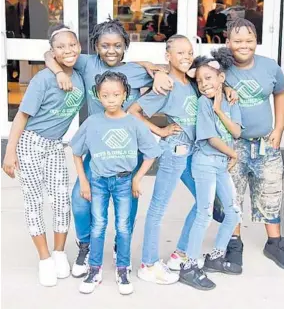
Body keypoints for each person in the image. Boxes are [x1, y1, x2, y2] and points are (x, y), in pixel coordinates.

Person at [44, 17, 173, 277]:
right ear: (95, 46)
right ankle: (86, 244)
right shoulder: (86, 63)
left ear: (125, 45)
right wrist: (58, 72)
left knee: (127, 208)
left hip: (128, 154)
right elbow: (50, 53)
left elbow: (164, 72)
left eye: (117, 45)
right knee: (80, 201)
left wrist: (157, 72)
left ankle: (119, 245)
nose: (110, 51)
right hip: (96, 152)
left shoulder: (136, 71)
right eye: (104, 45)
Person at [2, 24, 85, 287]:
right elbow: (21, 117)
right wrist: (9, 153)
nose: (68, 50)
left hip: (55, 145)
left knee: (61, 199)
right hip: (31, 143)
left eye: (72, 44)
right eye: (60, 47)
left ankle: (59, 253)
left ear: (80, 47)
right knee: (34, 201)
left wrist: (60, 68)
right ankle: (45, 258)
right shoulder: (43, 79)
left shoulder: (81, 73)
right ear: (52, 51)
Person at [70, 71, 161, 295]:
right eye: (105, 95)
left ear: (125, 95)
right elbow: (76, 152)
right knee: (98, 225)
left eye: (116, 94)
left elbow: (151, 153)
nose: (110, 99)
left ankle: (122, 269)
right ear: (98, 96)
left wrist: (137, 178)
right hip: (99, 182)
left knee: (123, 226)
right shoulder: (92, 122)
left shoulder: (133, 123)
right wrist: (83, 180)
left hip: (124, 182)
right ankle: (94, 269)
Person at [218, 18, 284, 272]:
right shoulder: (220, 67)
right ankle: (234, 243)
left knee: (271, 193)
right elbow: (193, 74)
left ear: (256, 41)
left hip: (265, 144)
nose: (244, 45)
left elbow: (281, 93)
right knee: (232, 195)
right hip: (233, 145)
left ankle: (274, 243)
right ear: (227, 41)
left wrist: (280, 127)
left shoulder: (269, 67)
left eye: (249, 40)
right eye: (238, 41)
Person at [128, 34, 197, 284]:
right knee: (158, 208)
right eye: (180, 53)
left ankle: (179, 254)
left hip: (192, 152)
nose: (186, 57)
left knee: (204, 202)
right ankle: (148, 264)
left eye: (189, 52)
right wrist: (159, 130)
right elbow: (133, 111)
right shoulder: (165, 85)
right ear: (168, 56)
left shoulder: (192, 82)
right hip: (174, 151)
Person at [179, 48, 242, 291]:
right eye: (199, 80)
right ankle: (189, 266)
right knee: (204, 214)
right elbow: (210, 138)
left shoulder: (230, 100)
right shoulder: (202, 103)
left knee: (233, 212)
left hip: (220, 164)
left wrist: (219, 110)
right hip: (205, 162)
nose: (204, 84)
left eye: (208, 78)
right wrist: (233, 153)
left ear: (221, 78)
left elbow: (236, 131)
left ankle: (215, 256)